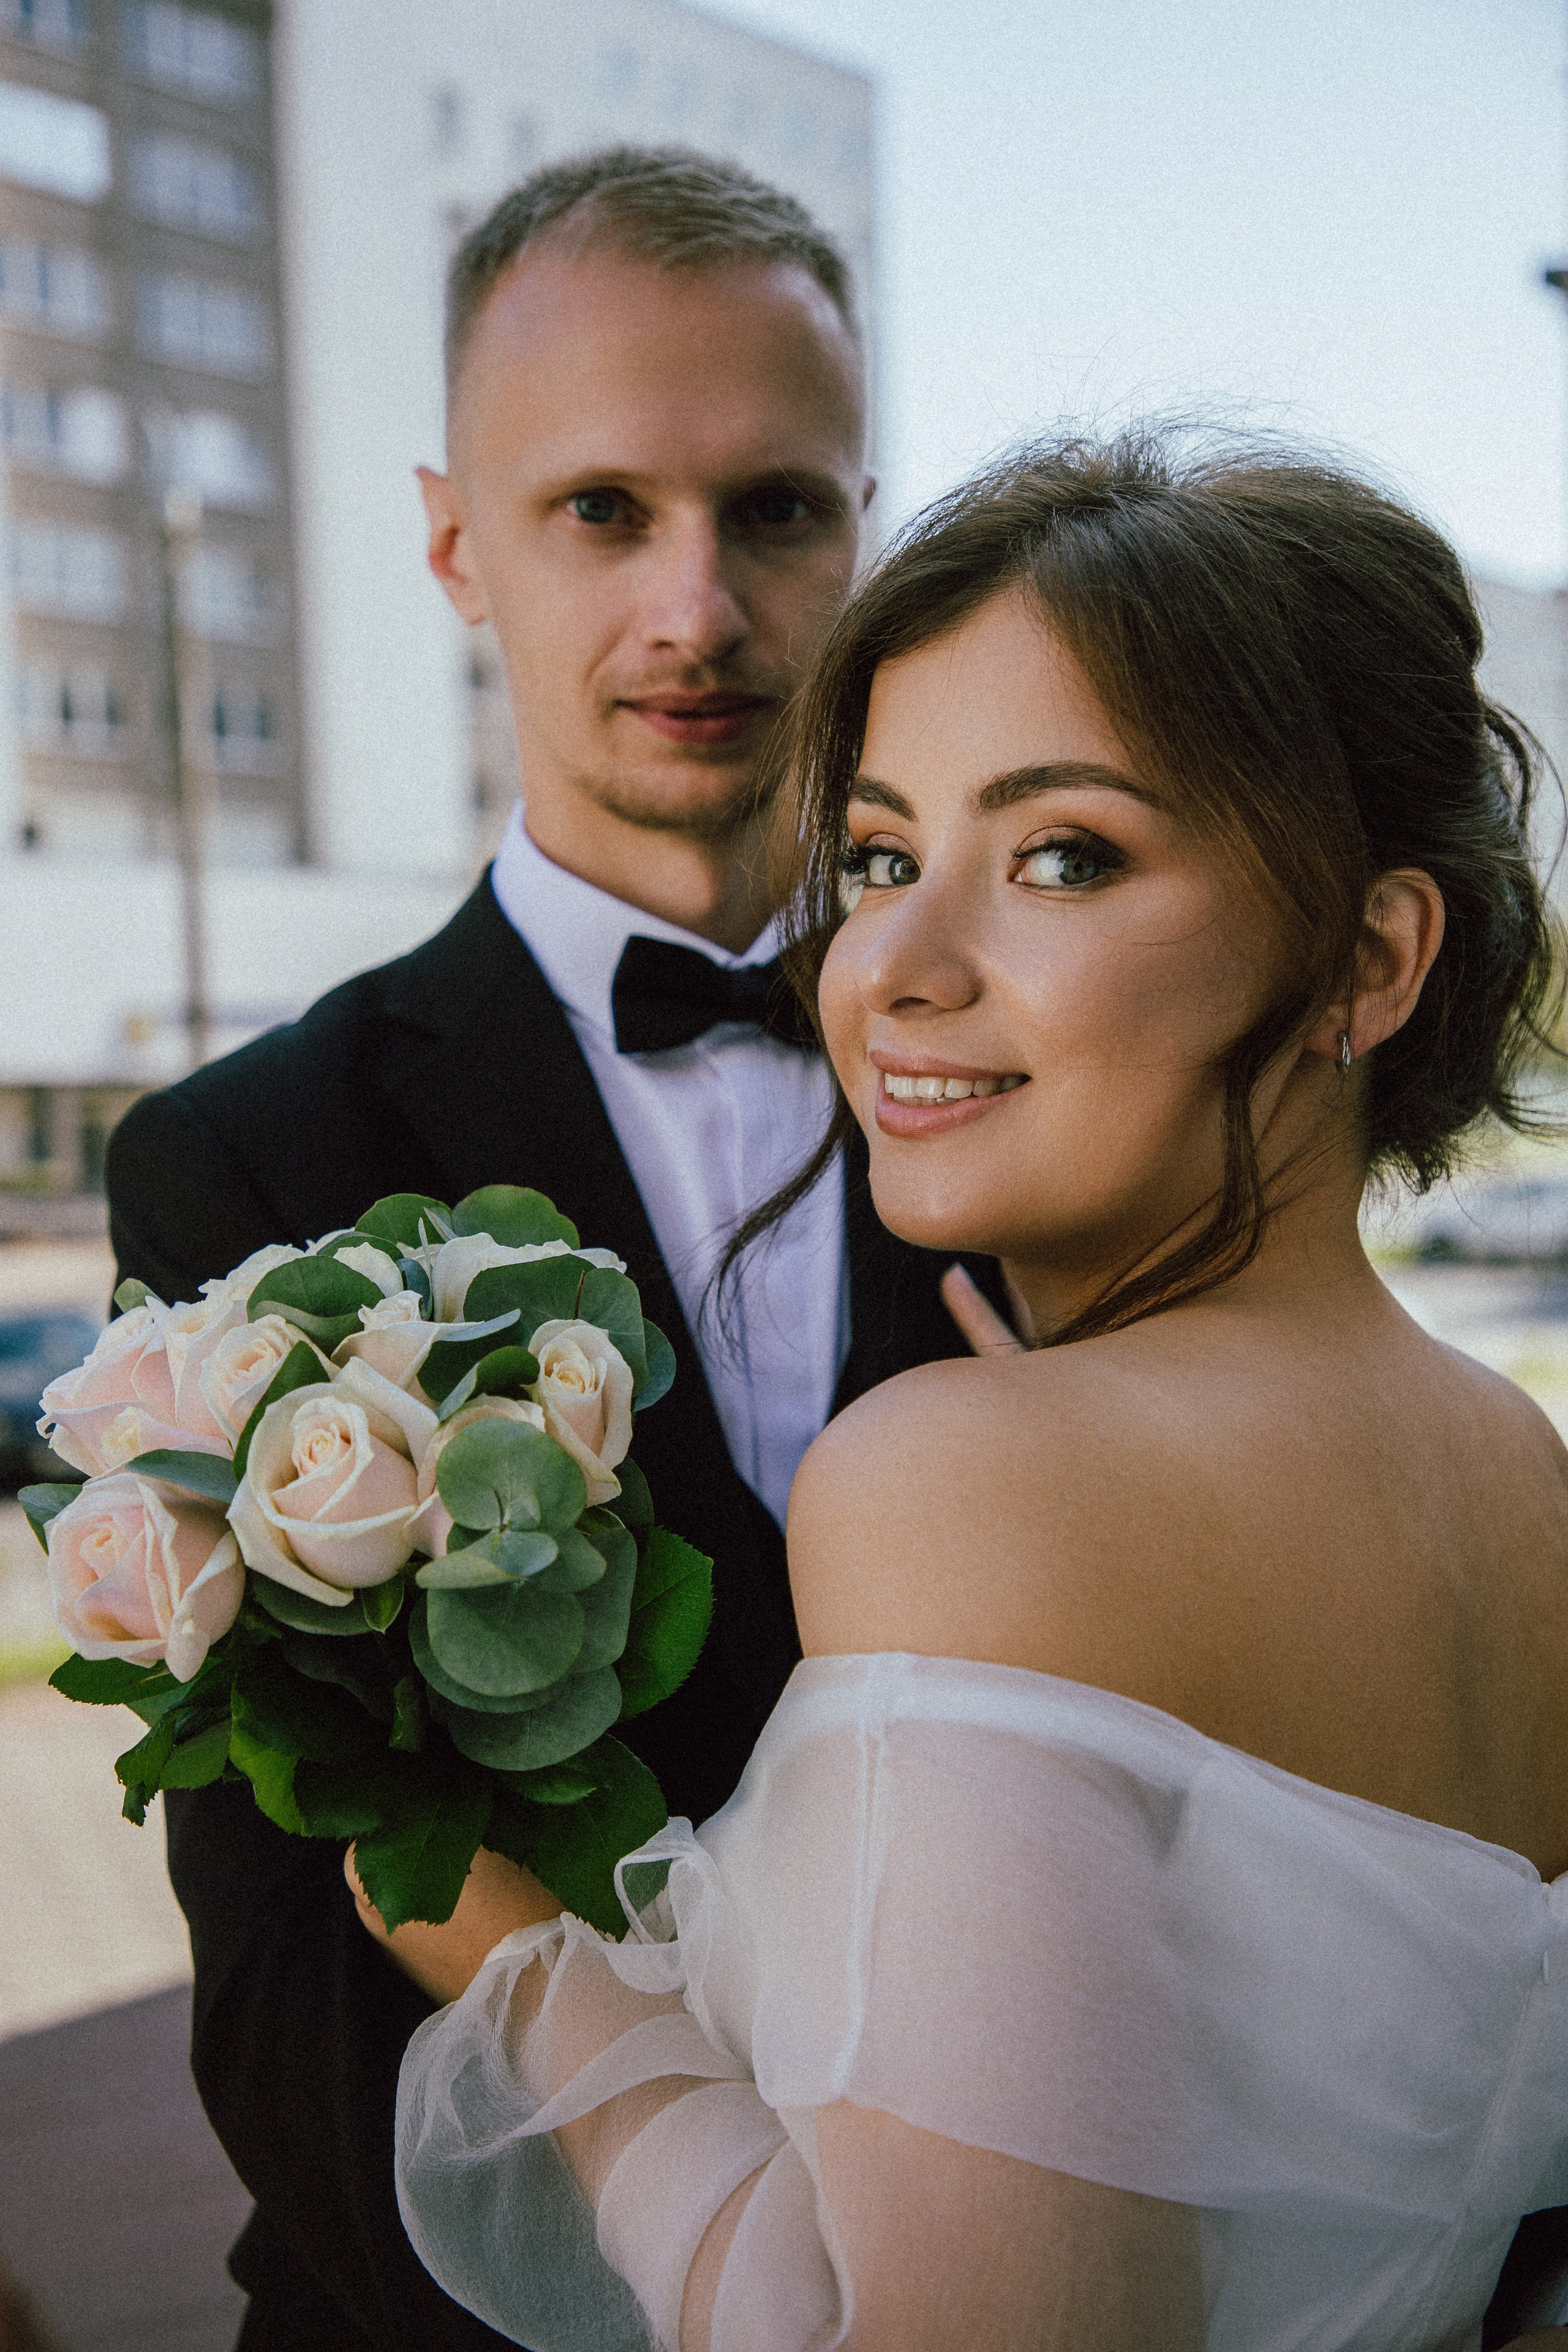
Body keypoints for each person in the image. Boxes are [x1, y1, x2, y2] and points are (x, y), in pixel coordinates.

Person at [374, 431, 1568, 2352]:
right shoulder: (1522, 1471)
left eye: (1064, 856)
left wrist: (517, 1964)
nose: (889, 969)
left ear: (1369, 957)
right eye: (878, 858)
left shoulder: (967, 1479)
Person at [104, 148, 1004, 2352]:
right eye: (603, 509)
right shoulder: (248, 1164)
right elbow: (297, 1992)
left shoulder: (1048, 1091)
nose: (697, 608)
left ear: (865, 530)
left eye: (775, 510)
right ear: (455, 546)